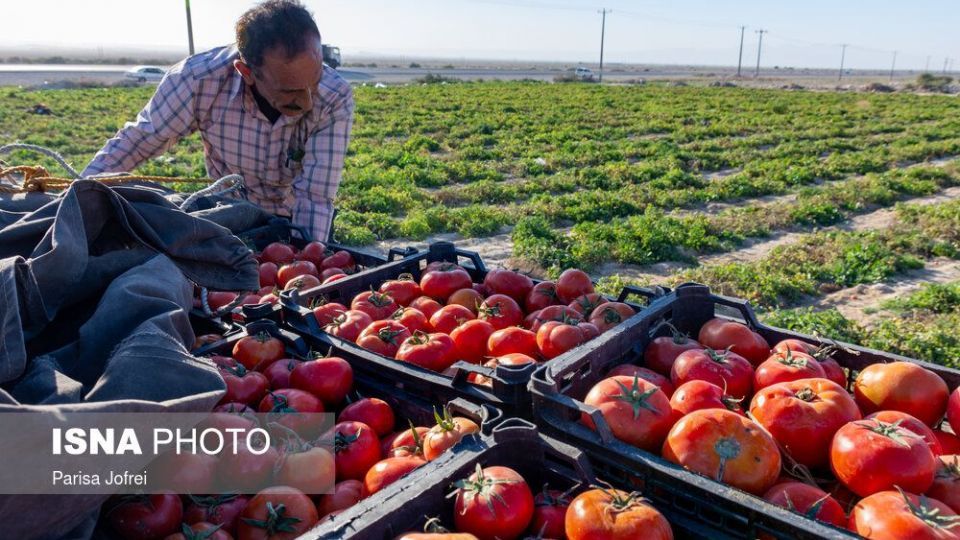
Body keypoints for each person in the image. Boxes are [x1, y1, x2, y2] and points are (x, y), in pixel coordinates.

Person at [82, 0, 353, 242]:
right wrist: (79, 191)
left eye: (314, 82)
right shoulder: (197, 80)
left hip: (294, 219)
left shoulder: (333, 95)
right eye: (289, 91)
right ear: (246, 72)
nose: (307, 102)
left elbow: (315, 195)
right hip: (228, 215)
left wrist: (309, 260)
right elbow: (138, 141)